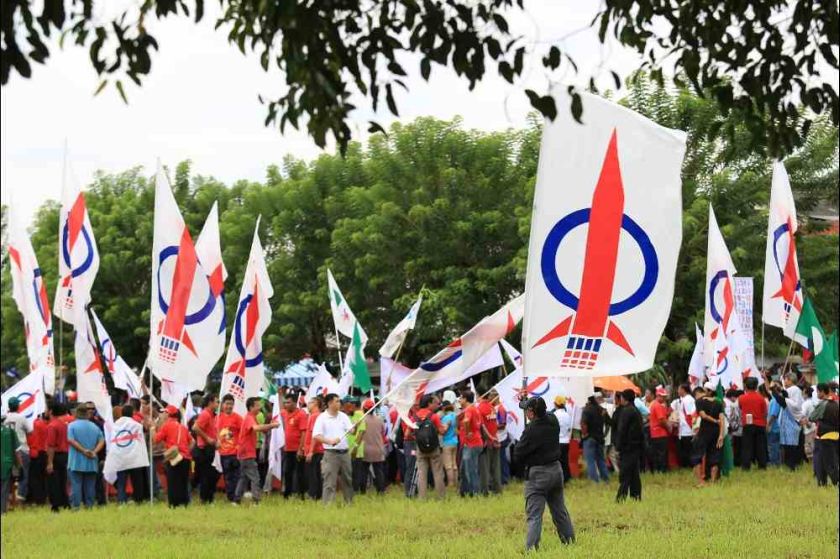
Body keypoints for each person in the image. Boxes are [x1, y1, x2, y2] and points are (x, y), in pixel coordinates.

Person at [514, 396, 575, 552]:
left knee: (534, 515)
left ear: (532, 413)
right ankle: (569, 542)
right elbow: (541, 412)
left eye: (527, 410)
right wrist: (525, 401)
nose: (526, 412)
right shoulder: (553, 420)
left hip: (537, 474)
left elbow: (518, 454)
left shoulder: (530, 430)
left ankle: (531, 550)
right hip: (555, 470)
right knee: (560, 510)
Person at [235, 397, 280, 504]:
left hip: (244, 453)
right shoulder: (249, 417)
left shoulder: (251, 417)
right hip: (247, 453)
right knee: (255, 477)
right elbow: (256, 428)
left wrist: (270, 426)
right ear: (251, 407)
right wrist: (272, 425)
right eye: (257, 405)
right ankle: (256, 500)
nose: (260, 407)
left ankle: (236, 500)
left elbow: (261, 429)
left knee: (244, 477)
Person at [312, 393, 354, 504]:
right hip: (331, 454)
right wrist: (329, 441)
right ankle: (327, 504)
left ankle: (349, 502)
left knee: (348, 479)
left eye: (339, 401)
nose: (339, 403)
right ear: (330, 403)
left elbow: (351, 431)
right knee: (329, 480)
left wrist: (353, 428)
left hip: (344, 452)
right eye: (337, 401)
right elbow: (316, 435)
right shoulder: (322, 418)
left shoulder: (343, 416)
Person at [153, 405, 194, 508]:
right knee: (183, 482)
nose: (162, 415)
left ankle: (173, 505)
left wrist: (153, 428)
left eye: (164, 412)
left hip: (173, 458)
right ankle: (185, 504)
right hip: (185, 458)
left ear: (168, 414)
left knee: (173, 483)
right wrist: (186, 451)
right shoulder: (183, 427)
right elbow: (193, 441)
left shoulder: (166, 426)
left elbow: (155, 440)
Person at [67, 403, 105, 510]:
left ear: (77, 413)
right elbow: (102, 440)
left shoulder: (72, 426)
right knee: (90, 486)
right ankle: (90, 506)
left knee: (76, 485)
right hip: (92, 461)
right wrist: (94, 452)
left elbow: (71, 440)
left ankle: (76, 507)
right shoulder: (94, 426)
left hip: (76, 461)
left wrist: (83, 451)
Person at [110, 404, 149, 504]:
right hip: (134, 457)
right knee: (137, 480)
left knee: (121, 481)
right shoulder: (137, 425)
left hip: (120, 456)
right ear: (132, 414)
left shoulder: (114, 425)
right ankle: (138, 500)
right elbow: (143, 435)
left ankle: (121, 500)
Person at [414, 394, 447, 500]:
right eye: (434, 403)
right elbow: (442, 431)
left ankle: (422, 497)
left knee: (422, 474)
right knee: (437, 472)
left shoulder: (415, 416)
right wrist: (445, 427)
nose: (435, 405)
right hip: (434, 448)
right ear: (428, 404)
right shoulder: (433, 416)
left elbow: (407, 434)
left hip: (420, 448)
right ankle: (440, 497)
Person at [691, 384, 725, 486]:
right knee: (715, 456)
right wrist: (721, 435)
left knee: (697, 455)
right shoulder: (718, 403)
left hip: (704, 431)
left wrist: (714, 421)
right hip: (715, 432)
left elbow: (703, 415)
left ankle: (701, 482)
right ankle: (713, 481)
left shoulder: (699, 402)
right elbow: (722, 419)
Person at [614, 388, 644, 501]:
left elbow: (622, 430)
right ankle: (636, 496)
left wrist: (618, 447)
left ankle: (621, 497)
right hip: (635, 446)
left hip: (627, 447)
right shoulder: (635, 410)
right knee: (634, 473)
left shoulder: (626, 411)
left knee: (625, 473)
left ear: (624, 398)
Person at [809, 383, 839, 486]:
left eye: (817, 391)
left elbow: (812, 417)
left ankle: (834, 482)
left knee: (827, 462)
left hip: (824, 436)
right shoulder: (836, 404)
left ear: (822, 391)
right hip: (836, 436)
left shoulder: (823, 404)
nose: (817, 393)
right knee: (833, 461)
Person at [191, 394, 219, 504]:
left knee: (209, 475)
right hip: (203, 450)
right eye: (216, 402)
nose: (218, 404)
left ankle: (207, 498)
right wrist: (207, 438)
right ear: (210, 402)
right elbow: (195, 427)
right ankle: (205, 499)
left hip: (209, 448)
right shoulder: (205, 414)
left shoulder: (211, 415)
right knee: (206, 476)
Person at [3, 397, 32, 502]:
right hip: (22, 449)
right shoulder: (21, 418)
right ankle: (20, 497)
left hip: (7, 450)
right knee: (23, 474)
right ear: (18, 406)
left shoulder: (4, 417)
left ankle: (8, 497)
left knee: (7, 475)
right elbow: (30, 431)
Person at [280, 394, 307, 499]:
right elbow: (278, 409)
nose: (286, 405)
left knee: (300, 473)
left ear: (295, 403)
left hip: (297, 450)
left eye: (288, 402)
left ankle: (301, 495)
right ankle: (287, 494)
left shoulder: (301, 414)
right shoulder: (285, 413)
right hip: (288, 449)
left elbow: (304, 433)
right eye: (285, 402)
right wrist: (279, 394)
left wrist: (300, 449)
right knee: (287, 472)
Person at [357, 399, 387, 494]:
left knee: (363, 471)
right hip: (378, 448)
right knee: (379, 471)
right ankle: (381, 490)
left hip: (365, 449)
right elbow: (383, 431)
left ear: (364, 409)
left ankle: (362, 491)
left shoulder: (362, 420)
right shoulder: (380, 419)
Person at [217, 394, 242, 502]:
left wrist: (239, 446)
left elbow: (243, 432)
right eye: (227, 404)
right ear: (222, 405)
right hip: (222, 453)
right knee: (227, 476)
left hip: (235, 453)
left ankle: (236, 498)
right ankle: (230, 497)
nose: (229, 406)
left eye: (231, 404)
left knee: (236, 476)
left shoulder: (237, 418)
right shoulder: (218, 418)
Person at [738, 376, 768, 469]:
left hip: (747, 424)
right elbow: (765, 412)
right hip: (760, 424)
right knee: (761, 446)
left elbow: (740, 408)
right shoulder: (761, 398)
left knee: (747, 446)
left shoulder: (741, 398)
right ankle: (762, 465)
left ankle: (746, 466)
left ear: (746, 386)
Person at [45, 402, 70, 512]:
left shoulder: (52, 426)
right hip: (65, 454)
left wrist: (50, 462)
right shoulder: (64, 425)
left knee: (54, 481)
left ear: (52, 411)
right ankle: (65, 503)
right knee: (63, 480)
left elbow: (51, 445)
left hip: (56, 455)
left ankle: (55, 505)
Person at [771, 384, 803, 471]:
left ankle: (791, 466)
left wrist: (772, 390)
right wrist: (781, 389)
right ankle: (791, 466)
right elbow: (785, 396)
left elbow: (780, 399)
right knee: (790, 448)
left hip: (790, 429)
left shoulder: (791, 404)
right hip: (791, 429)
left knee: (790, 449)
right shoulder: (796, 403)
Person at [458, 390, 482, 497]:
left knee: (470, 470)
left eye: (461, 398)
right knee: (464, 469)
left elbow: (467, 421)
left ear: (465, 399)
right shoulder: (475, 409)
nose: (459, 400)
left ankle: (475, 493)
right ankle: (464, 491)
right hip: (475, 442)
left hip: (471, 443)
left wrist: (467, 433)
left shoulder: (469, 409)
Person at [580, 393, 609, 483]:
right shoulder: (601, 409)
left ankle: (594, 480)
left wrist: (584, 435)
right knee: (601, 459)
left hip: (590, 438)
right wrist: (604, 434)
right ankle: (605, 478)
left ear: (587, 400)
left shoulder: (587, 409)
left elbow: (583, 424)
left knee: (590, 460)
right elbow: (608, 421)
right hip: (600, 438)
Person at [478, 390, 502, 495]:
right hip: (495, 439)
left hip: (486, 441)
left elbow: (482, 426)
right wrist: (494, 437)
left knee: (485, 468)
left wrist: (488, 438)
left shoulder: (479, 408)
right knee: (495, 467)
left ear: (480, 395)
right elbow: (494, 424)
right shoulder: (492, 408)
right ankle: (497, 489)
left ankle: (485, 491)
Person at [304, 396, 325, 500]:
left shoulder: (314, 416)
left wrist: (311, 451)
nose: (308, 405)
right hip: (318, 449)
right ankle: (318, 495)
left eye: (310, 403)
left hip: (315, 450)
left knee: (312, 474)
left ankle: (313, 494)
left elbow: (314, 435)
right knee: (316, 473)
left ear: (315, 404)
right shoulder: (316, 416)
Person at [27, 412, 49, 504]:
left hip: (34, 453)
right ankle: (42, 498)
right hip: (43, 453)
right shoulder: (45, 425)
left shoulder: (32, 425)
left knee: (34, 478)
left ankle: (35, 498)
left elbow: (29, 439)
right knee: (42, 478)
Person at [1, 417, 21, 514]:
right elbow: (17, 451)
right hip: (7, 464)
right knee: (4, 489)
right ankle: (3, 511)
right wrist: (19, 465)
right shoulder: (10, 431)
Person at [673, 383, 696, 468]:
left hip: (687, 429)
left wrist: (691, 427)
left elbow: (690, 415)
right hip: (684, 428)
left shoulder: (687, 400)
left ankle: (689, 465)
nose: (678, 391)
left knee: (687, 449)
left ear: (683, 390)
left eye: (679, 389)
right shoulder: (685, 399)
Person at [648, 386, 670, 473]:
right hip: (660, 432)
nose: (664, 398)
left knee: (656, 453)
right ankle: (662, 470)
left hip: (654, 433)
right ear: (658, 396)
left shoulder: (653, 404)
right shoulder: (658, 406)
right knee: (662, 453)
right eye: (663, 396)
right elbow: (661, 420)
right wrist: (668, 426)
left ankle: (657, 470)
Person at [553, 395, 573, 483]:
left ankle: (559, 480)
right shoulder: (567, 415)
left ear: (555, 404)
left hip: (557, 442)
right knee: (565, 461)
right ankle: (567, 478)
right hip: (566, 441)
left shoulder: (554, 415)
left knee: (556, 463)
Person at [439, 398, 459, 488]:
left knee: (448, 465)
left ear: (444, 408)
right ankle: (456, 482)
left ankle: (451, 483)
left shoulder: (445, 418)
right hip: (455, 441)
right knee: (454, 463)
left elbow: (443, 430)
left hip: (447, 442)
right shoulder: (456, 416)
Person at [766, 381, 782, 466]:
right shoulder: (776, 398)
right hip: (776, 427)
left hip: (774, 427)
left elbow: (773, 415)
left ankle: (774, 463)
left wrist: (768, 425)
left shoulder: (775, 400)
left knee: (773, 446)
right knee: (775, 446)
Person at [725, 389, 743, 465]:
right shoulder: (732, 404)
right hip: (734, 428)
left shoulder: (727, 402)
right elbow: (732, 417)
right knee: (734, 446)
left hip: (730, 428)